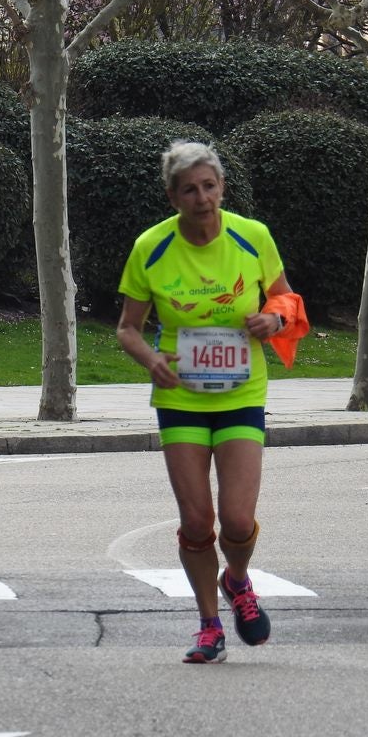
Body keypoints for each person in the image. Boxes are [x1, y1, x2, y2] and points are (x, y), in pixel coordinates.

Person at [116, 140, 306, 664]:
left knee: (238, 520)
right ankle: (207, 624)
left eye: (209, 186)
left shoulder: (253, 237)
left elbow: (286, 299)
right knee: (198, 521)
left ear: (222, 186)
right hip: (181, 396)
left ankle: (238, 581)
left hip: (243, 391)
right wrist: (150, 360)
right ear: (173, 196)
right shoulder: (151, 247)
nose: (202, 198)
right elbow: (128, 329)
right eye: (189, 190)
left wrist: (274, 319)